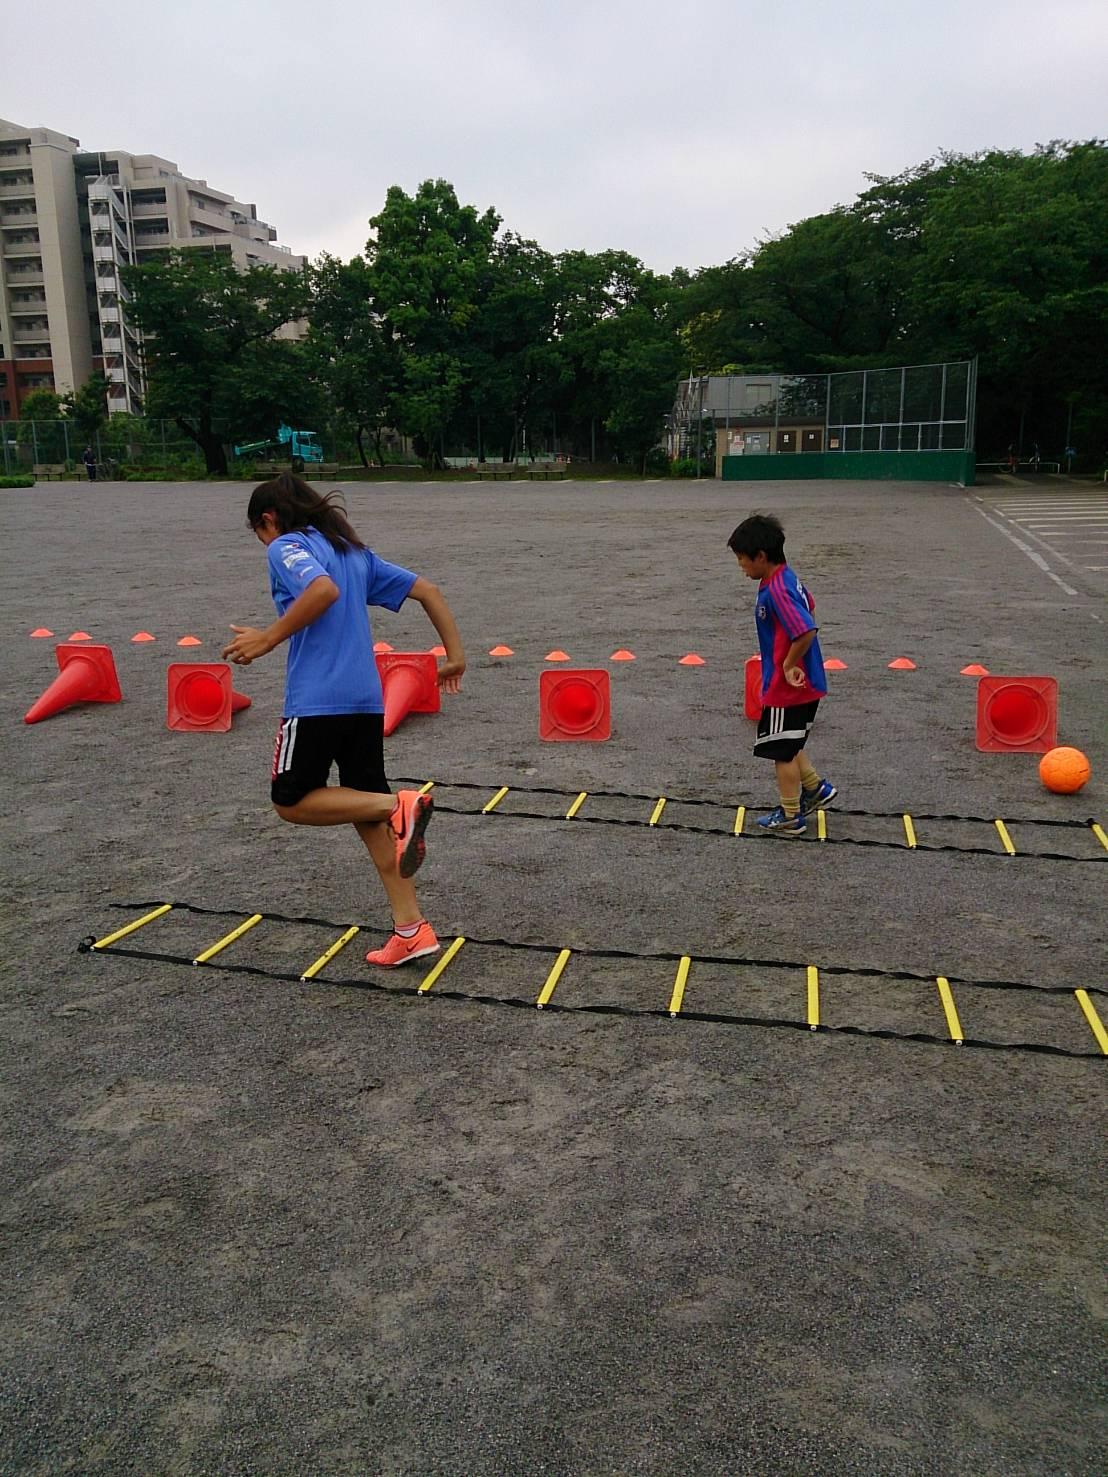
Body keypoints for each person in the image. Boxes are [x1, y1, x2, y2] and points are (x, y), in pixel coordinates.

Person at [222, 473, 465, 966]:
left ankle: (399, 805)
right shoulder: (355, 552)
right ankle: (412, 929)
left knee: (290, 801)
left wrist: (267, 639)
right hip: (366, 701)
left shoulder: (286, 546)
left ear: (268, 520)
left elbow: (321, 591)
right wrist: (456, 656)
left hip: (317, 700)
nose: (262, 543)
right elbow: (430, 590)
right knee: (370, 816)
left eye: (258, 533)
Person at [728, 512, 835, 836]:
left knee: (781, 750)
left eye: (743, 560)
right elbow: (810, 608)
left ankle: (790, 814)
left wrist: (788, 665)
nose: (741, 566)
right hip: (804, 683)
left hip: (788, 686)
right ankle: (815, 788)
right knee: (789, 741)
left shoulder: (777, 590)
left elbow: (805, 629)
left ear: (761, 556)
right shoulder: (786, 579)